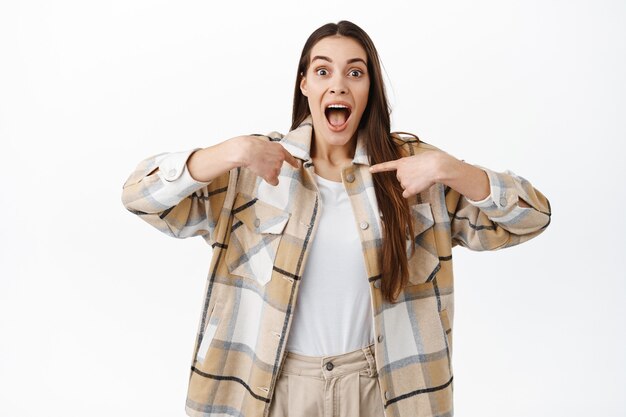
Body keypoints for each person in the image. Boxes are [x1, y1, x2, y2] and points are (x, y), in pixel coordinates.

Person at [122, 20, 551, 417]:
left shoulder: (414, 172)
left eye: (355, 72)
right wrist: (227, 152)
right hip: (274, 384)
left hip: (382, 388)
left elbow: (532, 218)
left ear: (369, 88)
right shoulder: (252, 170)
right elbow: (139, 197)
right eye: (323, 72)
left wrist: (451, 169)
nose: (338, 85)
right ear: (304, 84)